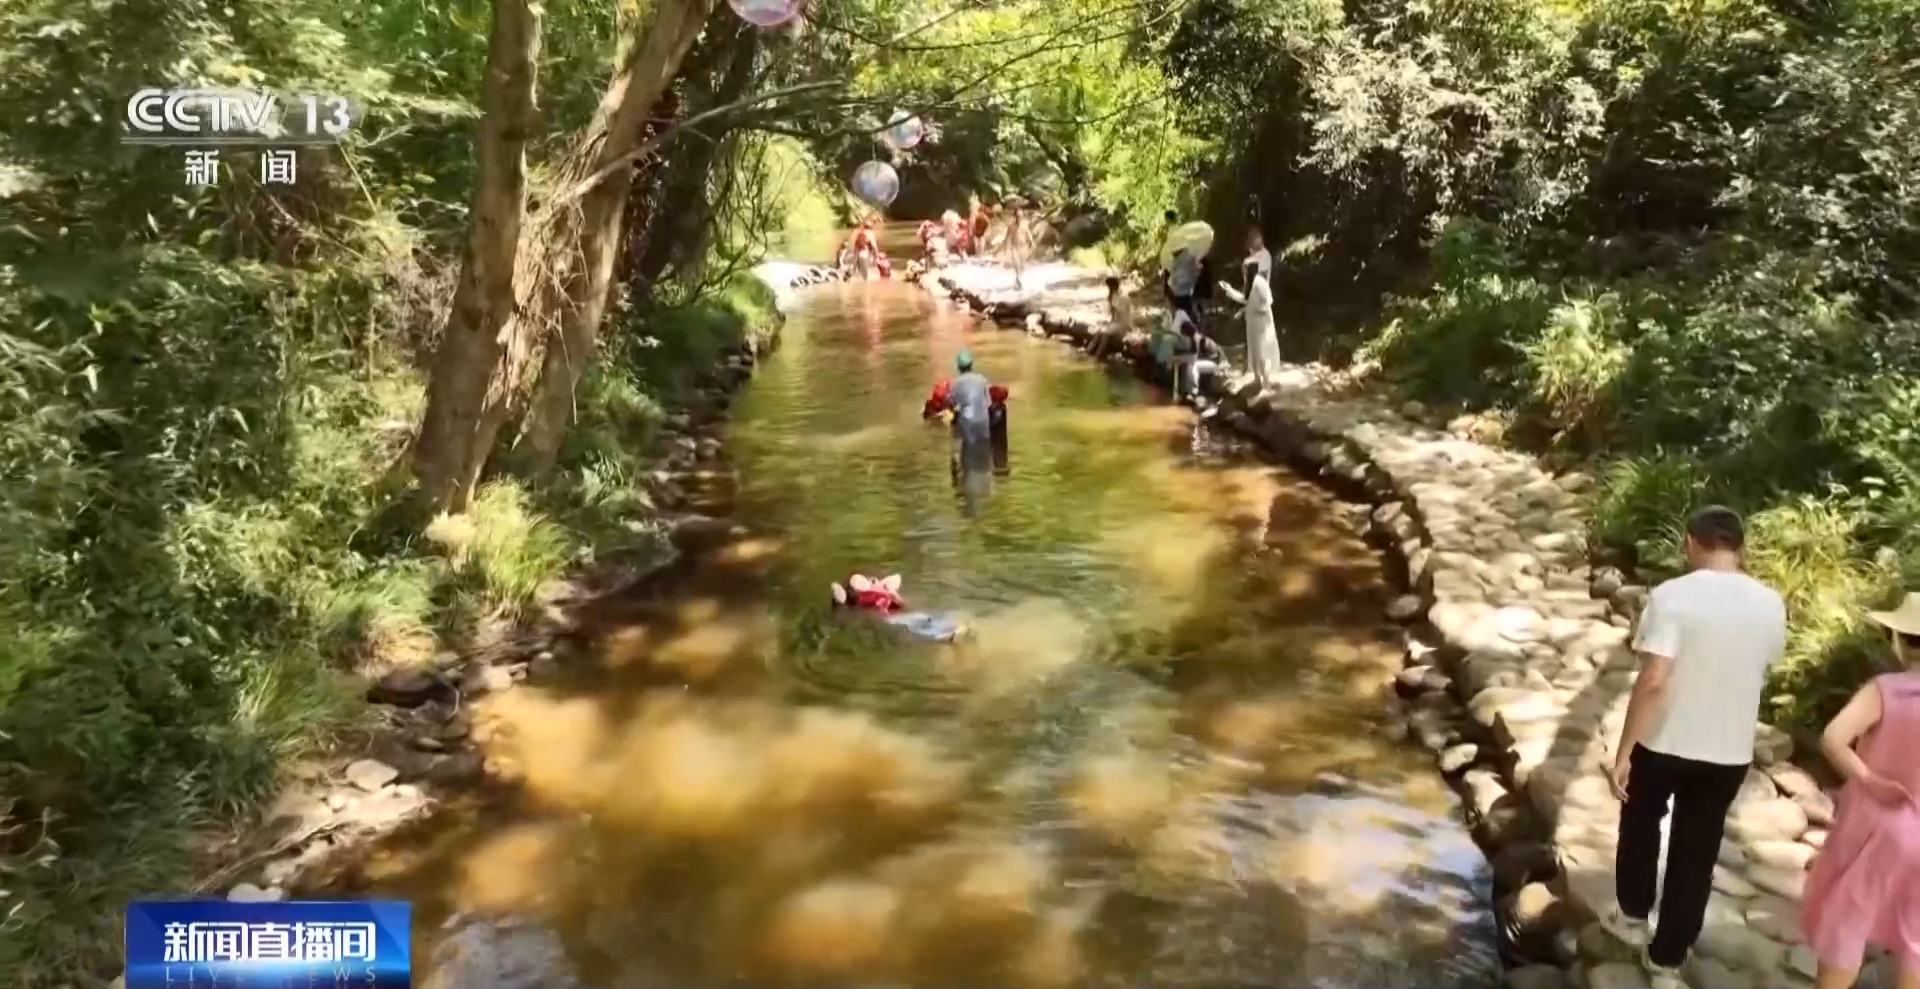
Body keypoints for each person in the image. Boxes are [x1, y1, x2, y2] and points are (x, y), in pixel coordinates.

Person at [1602, 506, 1788, 989]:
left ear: (1690, 543)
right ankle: (1666, 960)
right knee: (1697, 851)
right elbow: (1763, 664)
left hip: (1665, 740)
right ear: (1740, 547)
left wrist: (1624, 750)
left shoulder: (1672, 597)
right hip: (1727, 749)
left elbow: (1654, 680)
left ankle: (1631, 918)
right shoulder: (1770, 603)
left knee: (1641, 823)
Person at [1800, 592, 1920, 989]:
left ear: (1899, 639)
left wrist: (1869, 779)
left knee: (1846, 928)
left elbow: (1834, 739)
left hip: (1874, 829)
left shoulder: (1886, 690)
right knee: (1915, 943)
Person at [1220, 252, 1279, 390]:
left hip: (1261, 324)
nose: (1244, 273)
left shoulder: (1260, 282)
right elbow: (1245, 299)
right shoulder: (1250, 283)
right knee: (1254, 352)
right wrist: (1229, 290)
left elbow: (1267, 302)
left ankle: (1266, 382)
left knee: (1262, 351)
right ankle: (1257, 378)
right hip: (1252, 324)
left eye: (1245, 270)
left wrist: (1248, 310)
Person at [945, 349, 993, 448]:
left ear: (958, 367)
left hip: (967, 425)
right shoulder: (982, 379)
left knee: (955, 425)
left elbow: (950, 403)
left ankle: (956, 457)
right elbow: (989, 402)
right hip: (984, 423)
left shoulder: (955, 383)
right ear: (971, 365)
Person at [1090, 275, 1131, 359]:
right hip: (1115, 322)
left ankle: (1098, 355)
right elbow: (1112, 315)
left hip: (1122, 323)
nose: (1108, 289)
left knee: (1105, 334)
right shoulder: (1113, 296)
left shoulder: (1122, 296)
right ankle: (1089, 351)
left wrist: (1113, 305)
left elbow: (1122, 313)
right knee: (1099, 332)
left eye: (1109, 287)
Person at [1007, 204, 1032, 291]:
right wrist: (1004, 247)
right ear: (1015, 216)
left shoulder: (1025, 224)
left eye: (1020, 215)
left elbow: (1028, 234)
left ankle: (1018, 280)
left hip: (1023, 247)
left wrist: (1031, 242)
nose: (1018, 217)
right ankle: (1018, 280)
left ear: (1022, 216)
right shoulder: (1011, 225)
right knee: (1016, 264)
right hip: (1014, 247)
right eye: (1017, 215)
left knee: (1022, 266)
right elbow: (1007, 236)